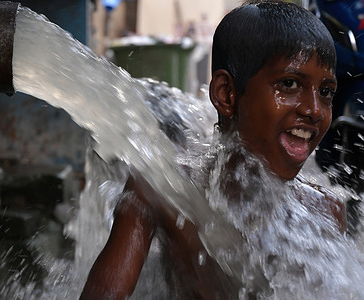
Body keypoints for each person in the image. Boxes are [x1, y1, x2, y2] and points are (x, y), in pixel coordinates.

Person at [80, 1, 346, 299]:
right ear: (226, 94)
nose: (314, 110)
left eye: (325, 92)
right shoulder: (165, 190)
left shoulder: (324, 211)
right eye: (289, 83)